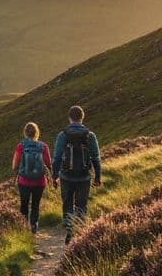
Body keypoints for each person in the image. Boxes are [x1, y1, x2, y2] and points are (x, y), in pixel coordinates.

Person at [51, 105, 102, 245]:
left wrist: (54, 176)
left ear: (69, 118)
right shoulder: (90, 135)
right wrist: (98, 176)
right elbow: (96, 157)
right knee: (81, 205)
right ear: (82, 117)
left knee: (67, 203)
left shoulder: (63, 135)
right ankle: (80, 233)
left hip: (66, 176)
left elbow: (56, 157)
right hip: (84, 177)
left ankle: (69, 230)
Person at [11, 121, 52, 235]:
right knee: (35, 205)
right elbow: (49, 163)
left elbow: (14, 165)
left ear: (25, 133)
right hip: (39, 181)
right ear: (36, 133)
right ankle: (34, 226)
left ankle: (24, 228)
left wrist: (19, 168)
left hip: (24, 181)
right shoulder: (43, 146)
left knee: (24, 204)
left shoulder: (21, 146)